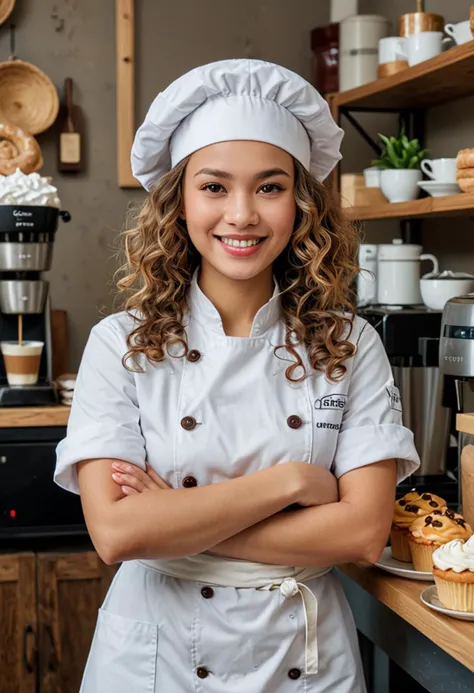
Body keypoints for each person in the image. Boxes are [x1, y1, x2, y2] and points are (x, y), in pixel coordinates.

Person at [54, 58, 420, 693]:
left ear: (301, 204)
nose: (243, 215)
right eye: (215, 187)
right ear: (179, 199)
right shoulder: (121, 344)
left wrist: (175, 521)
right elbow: (117, 534)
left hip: (304, 660)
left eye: (271, 187)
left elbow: (362, 534)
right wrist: (292, 482)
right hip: (159, 659)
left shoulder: (348, 342)